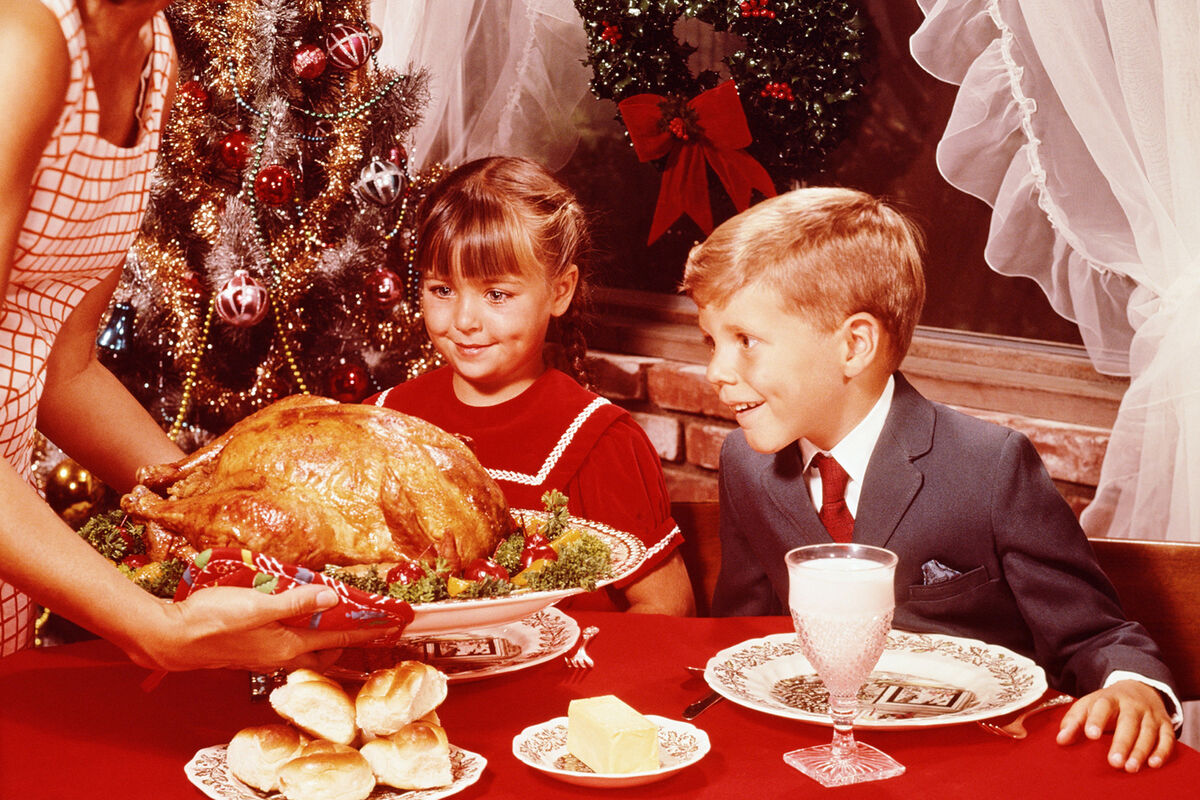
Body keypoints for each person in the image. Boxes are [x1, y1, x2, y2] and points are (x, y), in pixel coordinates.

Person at [680, 187, 1179, 771]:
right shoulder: (745, 463)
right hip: (816, 758)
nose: (716, 371)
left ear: (854, 346)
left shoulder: (990, 466)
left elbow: (1094, 637)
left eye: (745, 341)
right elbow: (748, 638)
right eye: (710, 341)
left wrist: (1135, 686)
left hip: (973, 762)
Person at [0, 0, 388, 669]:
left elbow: (66, 370)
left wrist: (224, 515)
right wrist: (155, 626)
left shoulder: (152, 52)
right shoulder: (25, 42)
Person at [368, 156, 694, 615]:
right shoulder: (381, 421)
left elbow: (667, 609)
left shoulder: (602, 443)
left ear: (560, 291)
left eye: (496, 294)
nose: (464, 320)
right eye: (442, 290)